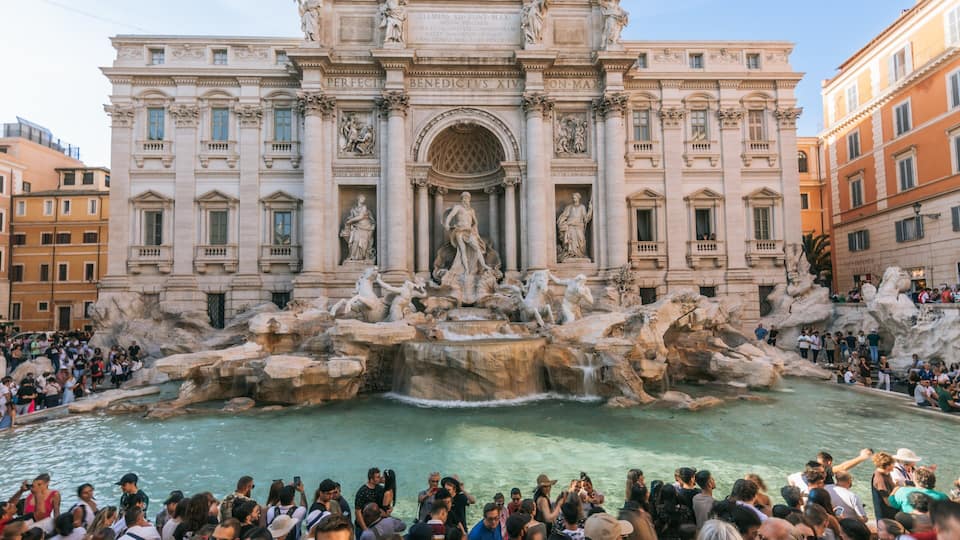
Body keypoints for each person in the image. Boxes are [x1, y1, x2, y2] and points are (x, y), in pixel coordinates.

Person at [354, 469, 383, 535]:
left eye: (380, 476)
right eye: (378, 477)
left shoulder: (380, 489)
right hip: (362, 527)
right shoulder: (362, 492)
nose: (380, 478)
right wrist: (365, 529)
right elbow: (357, 512)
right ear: (371, 479)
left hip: (375, 525)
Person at [872, 452, 899, 522]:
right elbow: (888, 502)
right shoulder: (880, 479)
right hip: (885, 515)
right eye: (893, 464)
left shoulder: (886, 473)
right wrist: (896, 489)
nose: (894, 466)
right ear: (887, 466)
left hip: (890, 513)